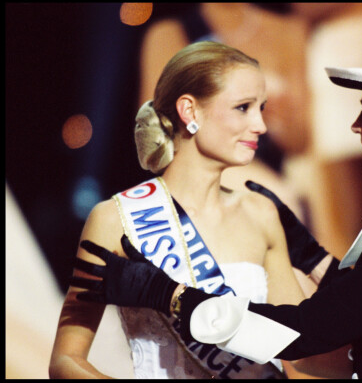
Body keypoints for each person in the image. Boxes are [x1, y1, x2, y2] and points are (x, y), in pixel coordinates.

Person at [70, 22, 362, 379]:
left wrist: (167, 295)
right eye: (243, 107)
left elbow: (305, 335)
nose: (355, 125)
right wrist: (311, 255)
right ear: (189, 112)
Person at [49, 41, 310, 379]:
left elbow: (302, 358)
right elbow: (65, 360)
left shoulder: (262, 213)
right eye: (244, 108)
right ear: (190, 111)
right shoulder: (115, 219)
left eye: (262, 108)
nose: (260, 125)